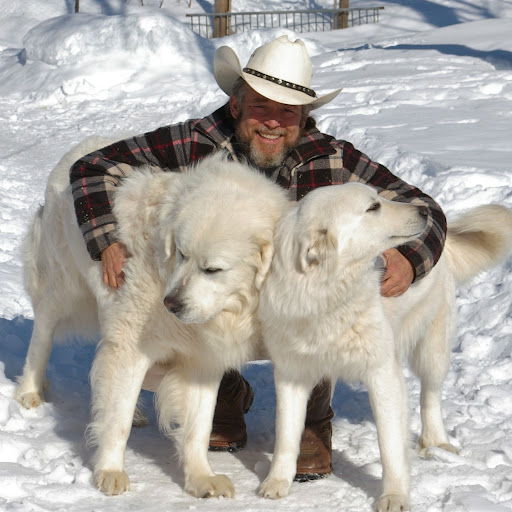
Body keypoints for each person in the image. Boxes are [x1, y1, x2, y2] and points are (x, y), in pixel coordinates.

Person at [70, 35, 447, 481]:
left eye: (287, 112)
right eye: (260, 107)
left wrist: (410, 257)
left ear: (304, 118)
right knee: (160, 335)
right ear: (236, 105)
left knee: (338, 300)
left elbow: (424, 209)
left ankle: (313, 418)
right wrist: (106, 240)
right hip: (226, 299)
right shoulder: (196, 141)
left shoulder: (334, 159)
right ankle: (226, 390)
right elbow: (92, 168)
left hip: (292, 307)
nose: (272, 123)